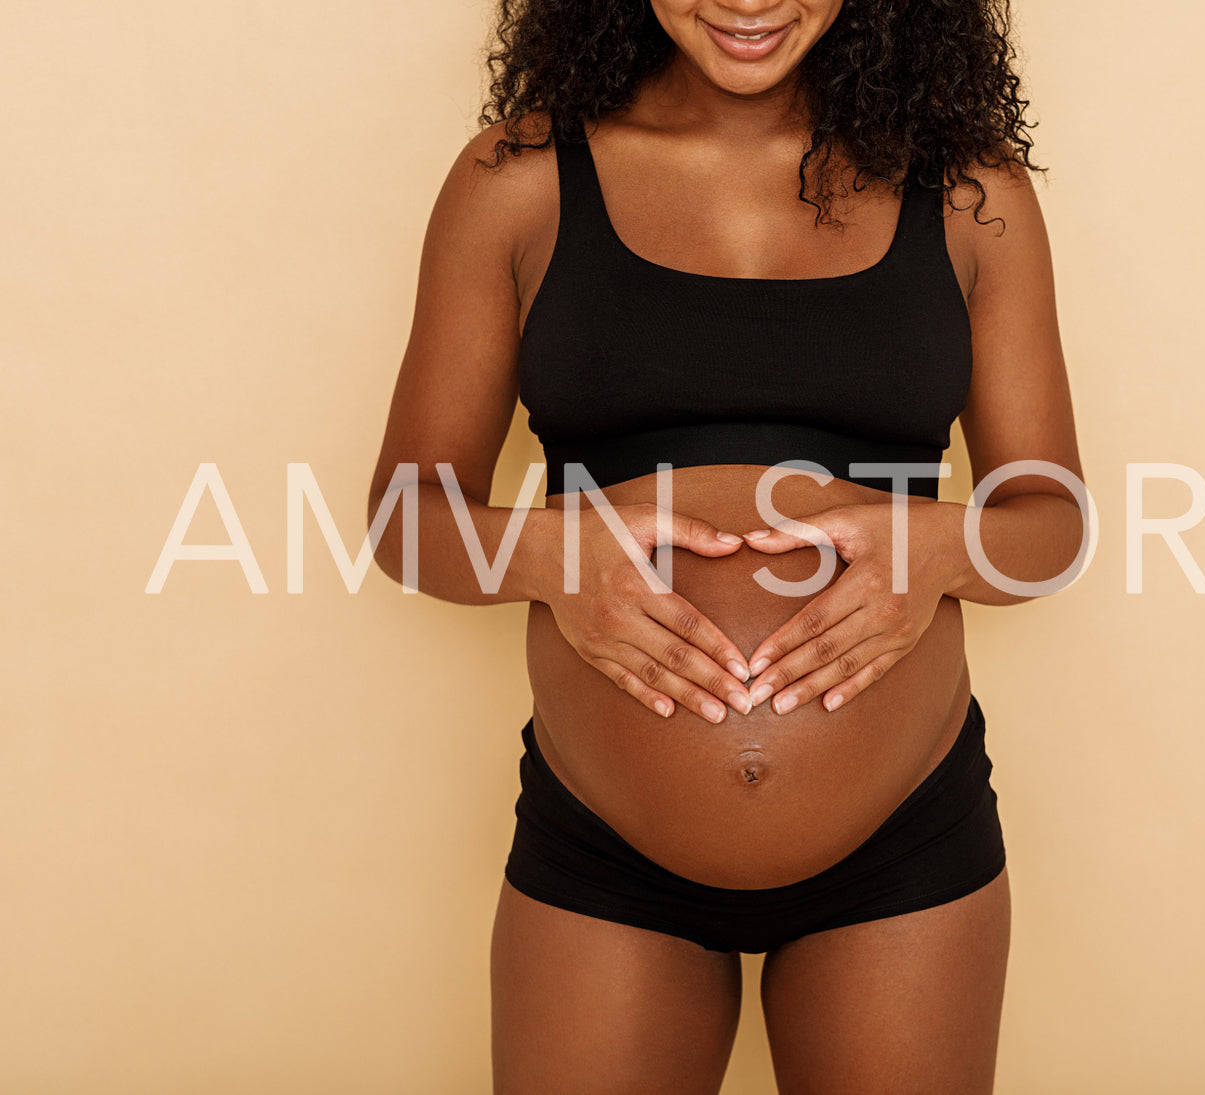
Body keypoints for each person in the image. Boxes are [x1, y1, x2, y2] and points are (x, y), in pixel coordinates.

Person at [367, 0, 1085, 1090]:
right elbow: (403, 517)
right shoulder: (515, 180)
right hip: (603, 850)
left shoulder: (968, 192)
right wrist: (552, 559)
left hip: (905, 847)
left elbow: (1050, 522)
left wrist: (942, 548)